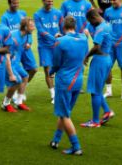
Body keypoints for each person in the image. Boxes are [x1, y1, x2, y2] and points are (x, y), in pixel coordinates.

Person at [49, 16, 88, 155]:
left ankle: (76, 147)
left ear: (63, 26)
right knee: (64, 112)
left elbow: (56, 63)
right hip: (78, 81)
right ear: (75, 26)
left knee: (65, 115)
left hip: (65, 81)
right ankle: (55, 140)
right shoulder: (84, 39)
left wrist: (51, 72)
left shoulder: (60, 42)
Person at [81, 9, 115, 128]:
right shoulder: (107, 25)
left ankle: (95, 121)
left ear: (94, 18)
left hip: (99, 61)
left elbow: (96, 47)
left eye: (91, 21)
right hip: (107, 59)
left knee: (94, 92)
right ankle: (107, 111)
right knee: (98, 89)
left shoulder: (100, 29)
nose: (91, 24)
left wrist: (86, 57)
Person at [34, 0, 63, 103]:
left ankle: (60, 90)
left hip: (56, 46)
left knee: (59, 69)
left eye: (52, 1)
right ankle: (53, 95)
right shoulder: (37, 15)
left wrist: (64, 38)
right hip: (44, 46)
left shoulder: (58, 13)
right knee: (48, 70)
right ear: (43, 1)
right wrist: (54, 38)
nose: (50, 3)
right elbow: (41, 31)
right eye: (48, 1)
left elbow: (62, 27)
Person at [3, 18, 31, 112]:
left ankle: (19, 102)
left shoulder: (26, 36)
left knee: (25, 76)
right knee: (17, 81)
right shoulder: (13, 36)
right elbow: (6, 55)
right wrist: (11, 74)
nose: (34, 28)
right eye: (32, 26)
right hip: (7, 62)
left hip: (15, 62)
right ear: (26, 27)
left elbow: (18, 50)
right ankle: (5, 104)